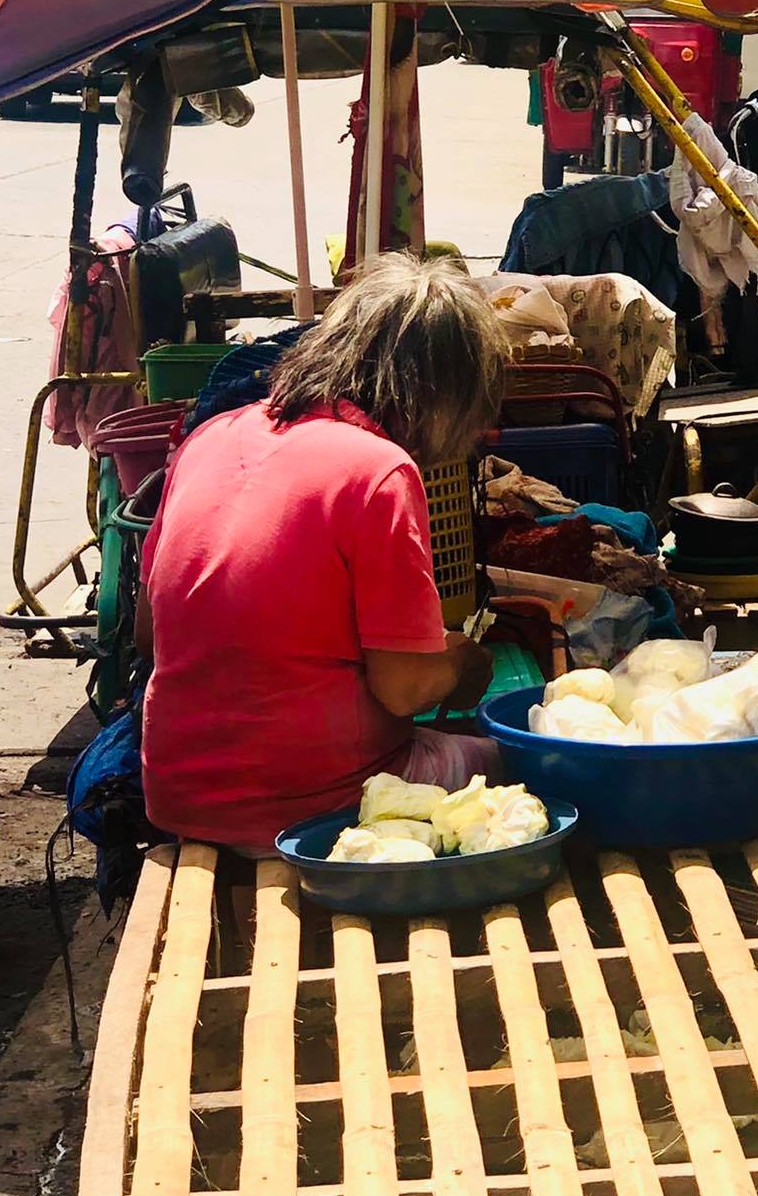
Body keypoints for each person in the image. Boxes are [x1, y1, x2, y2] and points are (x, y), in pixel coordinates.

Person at [138, 255, 510, 853]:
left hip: (178, 797)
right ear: (446, 395)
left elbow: (147, 634)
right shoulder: (379, 470)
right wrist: (460, 664)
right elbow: (405, 689)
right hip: (314, 805)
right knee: (517, 767)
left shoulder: (211, 436)